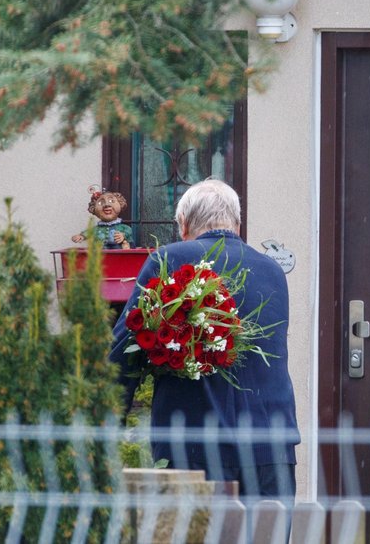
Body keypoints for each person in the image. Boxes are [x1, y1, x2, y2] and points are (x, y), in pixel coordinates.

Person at [109, 179, 300, 505]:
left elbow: (124, 352)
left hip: (194, 446)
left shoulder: (169, 259)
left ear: (183, 225)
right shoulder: (272, 272)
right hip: (270, 445)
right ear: (238, 224)